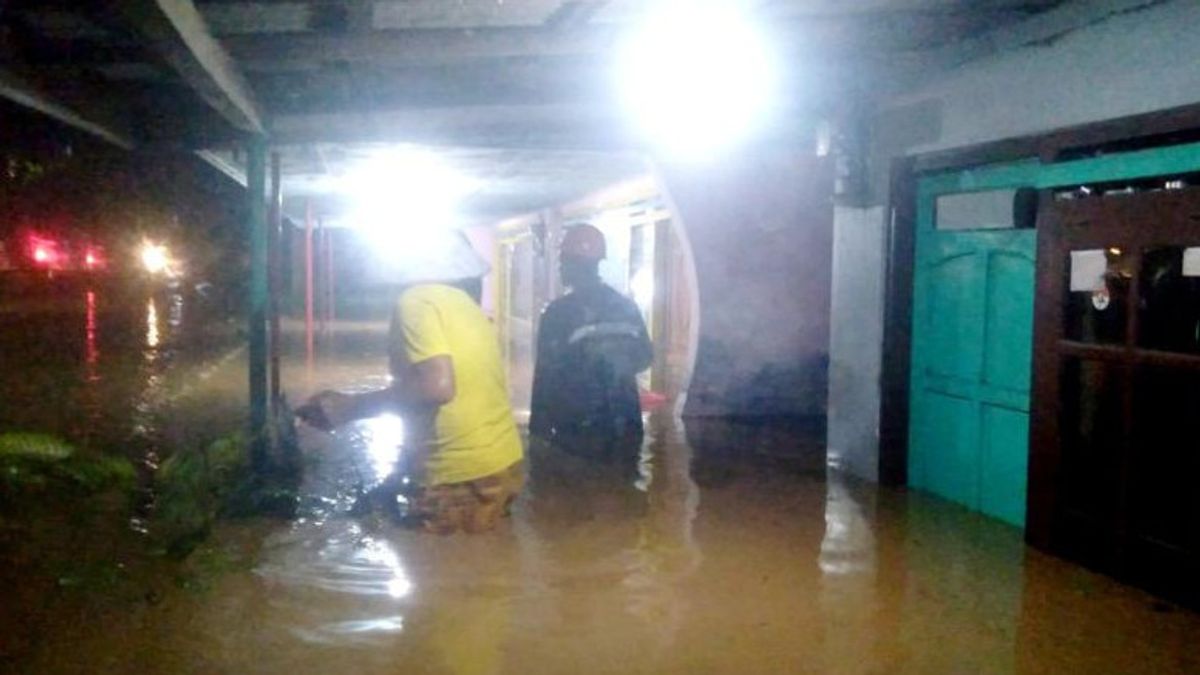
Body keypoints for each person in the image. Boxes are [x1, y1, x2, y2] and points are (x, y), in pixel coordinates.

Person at [299, 231, 523, 534]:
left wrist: (349, 407)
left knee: (433, 574)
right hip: (502, 465)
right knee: (483, 566)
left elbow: (437, 387)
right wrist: (398, 474)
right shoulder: (465, 305)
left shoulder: (416, 302)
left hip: (458, 476)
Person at [529, 224, 653, 467]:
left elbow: (545, 379)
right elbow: (645, 357)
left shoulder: (558, 314)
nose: (560, 266)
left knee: (577, 497)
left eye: (563, 260)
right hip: (625, 424)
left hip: (578, 430)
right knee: (625, 495)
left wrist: (538, 438)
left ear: (575, 264)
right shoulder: (626, 307)